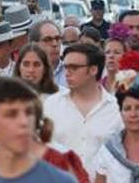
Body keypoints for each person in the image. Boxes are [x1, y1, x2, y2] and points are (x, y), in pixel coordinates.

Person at [44, 42, 122, 174]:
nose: (67, 73)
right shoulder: (51, 104)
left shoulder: (115, 108)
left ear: (93, 70)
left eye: (74, 67)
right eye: (66, 67)